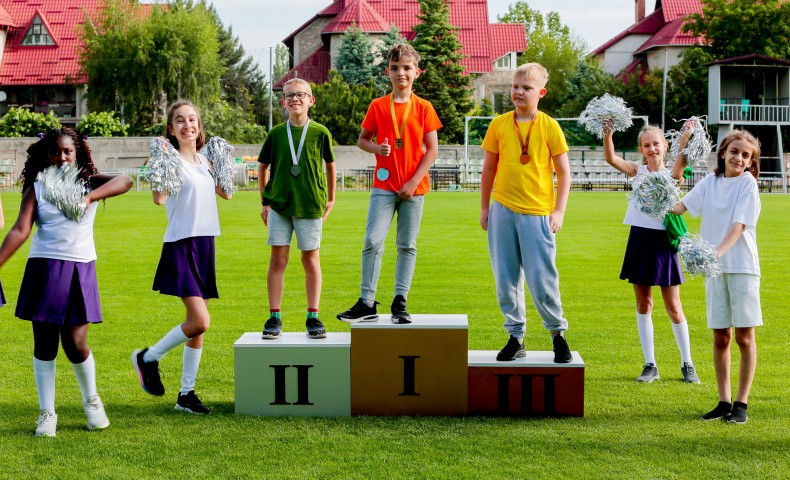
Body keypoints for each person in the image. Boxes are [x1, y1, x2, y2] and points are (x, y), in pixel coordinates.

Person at [0, 128, 132, 437]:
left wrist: (89, 197)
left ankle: (92, 401)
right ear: (47, 156)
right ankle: (47, 413)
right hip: (44, 269)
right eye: (55, 152)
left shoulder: (89, 181)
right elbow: (20, 230)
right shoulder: (38, 188)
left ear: (78, 154)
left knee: (75, 343)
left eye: (67, 152)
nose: (61, 158)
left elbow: (124, 182)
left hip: (80, 268)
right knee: (45, 345)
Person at [132, 99, 232, 415]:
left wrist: (224, 159)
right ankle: (148, 357)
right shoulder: (169, 158)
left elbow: (227, 193)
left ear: (199, 126)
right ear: (171, 129)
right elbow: (158, 199)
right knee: (200, 319)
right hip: (181, 244)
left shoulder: (205, 162)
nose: (188, 125)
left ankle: (186, 395)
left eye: (192, 120)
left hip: (205, 245)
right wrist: (162, 158)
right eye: (180, 120)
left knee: (197, 326)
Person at [337, 44, 442, 324]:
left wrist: (413, 181)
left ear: (416, 72)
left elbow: (432, 150)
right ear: (387, 72)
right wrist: (376, 150)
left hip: (414, 188)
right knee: (372, 241)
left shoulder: (424, 108)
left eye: (407, 68)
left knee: (406, 245)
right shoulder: (378, 106)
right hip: (384, 186)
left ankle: (400, 301)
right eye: (395, 68)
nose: (401, 73)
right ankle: (367, 302)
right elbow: (362, 139)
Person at [479, 62, 572, 363]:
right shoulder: (499, 124)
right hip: (502, 209)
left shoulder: (549, 126)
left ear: (540, 93)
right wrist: (485, 208)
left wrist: (559, 210)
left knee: (542, 277)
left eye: (527, 88)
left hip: (537, 213)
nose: (519, 92)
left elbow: (564, 172)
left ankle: (557, 335)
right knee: (505, 278)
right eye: (516, 86)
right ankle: (515, 337)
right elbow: (489, 169)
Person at [671, 129, 762, 424]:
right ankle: (724, 402)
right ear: (722, 153)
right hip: (714, 269)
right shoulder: (711, 182)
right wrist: (655, 192)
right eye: (734, 152)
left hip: (741, 267)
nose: (738, 158)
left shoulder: (748, 184)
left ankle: (741, 404)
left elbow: (738, 225)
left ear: (751, 163)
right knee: (720, 336)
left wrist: (714, 254)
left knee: (744, 337)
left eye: (745, 155)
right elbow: (679, 208)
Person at [603, 123, 701, 383]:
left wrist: (684, 138)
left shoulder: (672, 175)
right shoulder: (637, 171)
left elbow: (682, 162)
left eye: (656, 143)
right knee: (644, 303)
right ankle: (650, 365)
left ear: (664, 146)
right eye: (647, 145)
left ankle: (687, 363)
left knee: (674, 307)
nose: (652, 148)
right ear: (641, 150)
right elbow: (611, 158)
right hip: (639, 240)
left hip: (663, 243)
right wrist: (608, 133)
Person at [258, 78, 336, 339]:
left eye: (301, 94)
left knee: (310, 259)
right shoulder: (276, 133)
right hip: (279, 205)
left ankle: (313, 316)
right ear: (283, 102)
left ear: (311, 100)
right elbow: (262, 167)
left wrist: (331, 198)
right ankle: (274, 316)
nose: (295, 99)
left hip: (310, 205)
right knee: (278, 260)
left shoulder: (320, 132)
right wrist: (265, 202)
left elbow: (330, 165)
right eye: (289, 95)